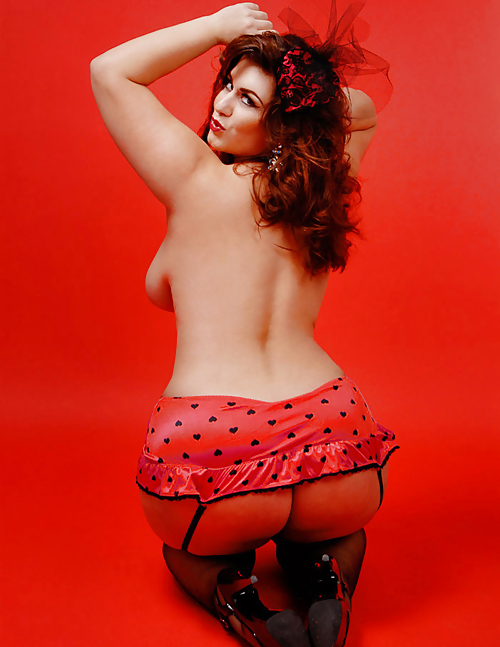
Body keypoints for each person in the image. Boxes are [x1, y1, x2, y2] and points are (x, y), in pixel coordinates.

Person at [90, 2, 398, 646]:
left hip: (212, 443)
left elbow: (110, 71)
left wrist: (218, 27)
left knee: (186, 550)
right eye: (227, 85)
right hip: (335, 433)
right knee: (341, 533)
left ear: (285, 121)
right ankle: (328, 582)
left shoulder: (194, 180)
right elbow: (364, 110)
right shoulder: (321, 191)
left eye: (249, 100)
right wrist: (297, 87)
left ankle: (242, 603)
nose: (222, 105)